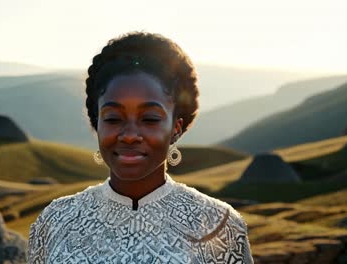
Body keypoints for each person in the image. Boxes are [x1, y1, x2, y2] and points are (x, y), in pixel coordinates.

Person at [28, 32, 253, 263]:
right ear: (97, 124)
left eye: (150, 119)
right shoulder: (55, 221)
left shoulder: (220, 225)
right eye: (113, 119)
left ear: (176, 128)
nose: (130, 136)